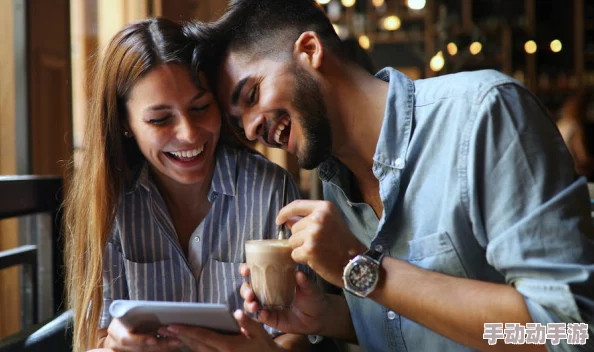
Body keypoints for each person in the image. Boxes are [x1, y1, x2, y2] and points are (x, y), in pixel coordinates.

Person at [179, 0, 594, 351]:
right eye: (240, 124)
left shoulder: (484, 114)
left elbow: (566, 330)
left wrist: (361, 267)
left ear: (309, 49)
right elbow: (416, 320)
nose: (253, 130)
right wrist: (330, 317)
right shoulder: (334, 183)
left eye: (252, 96)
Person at [63, 18, 311, 352]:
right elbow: (96, 336)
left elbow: (306, 330)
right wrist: (112, 347)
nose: (190, 134)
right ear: (125, 122)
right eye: (160, 119)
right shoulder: (110, 203)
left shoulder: (271, 190)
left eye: (200, 108)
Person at [557, 91, 594, 179]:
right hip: (575, 174)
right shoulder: (575, 127)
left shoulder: (561, 123)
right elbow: (582, 158)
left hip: (561, 172)